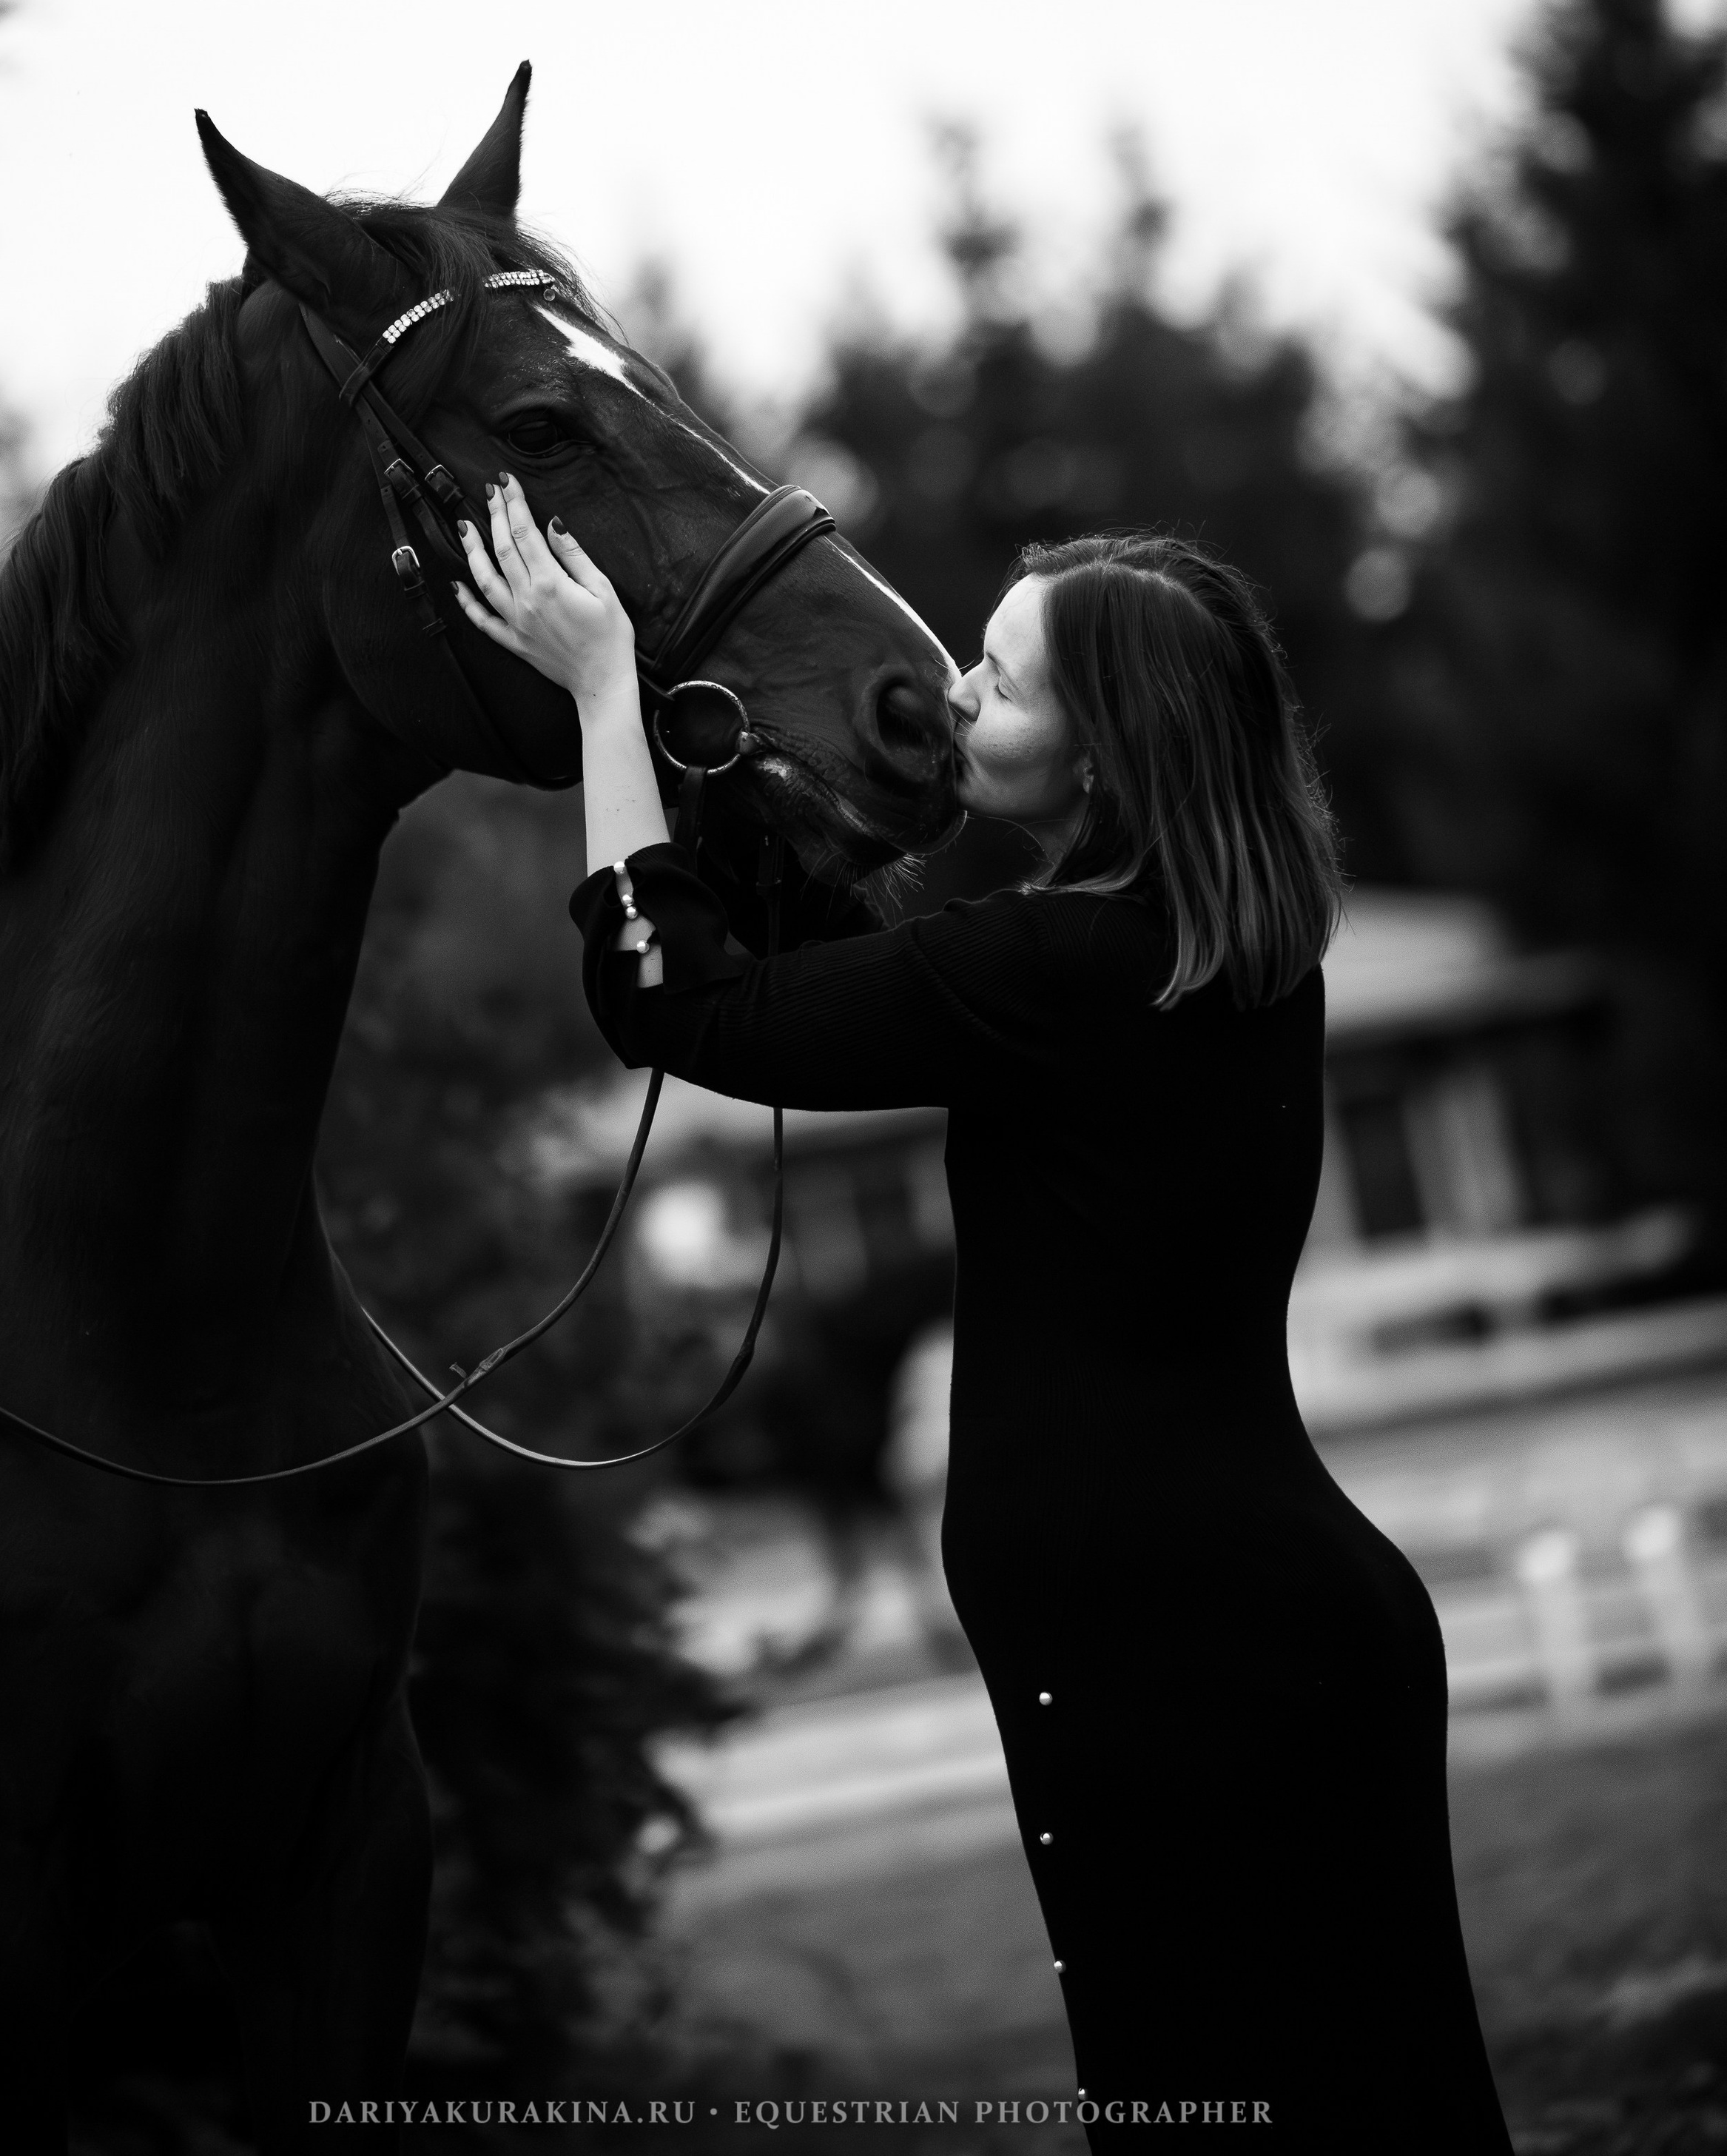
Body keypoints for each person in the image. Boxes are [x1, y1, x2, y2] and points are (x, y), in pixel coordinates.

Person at [457, 474, 1513, 2155]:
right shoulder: (1211, 951)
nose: (953, 689)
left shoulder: (1049, 974)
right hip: (1271, 1621)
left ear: (1102, 755)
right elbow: (863, 965)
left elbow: (671, 996)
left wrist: (599, 691)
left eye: (1001, 683)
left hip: (1169, 1656)